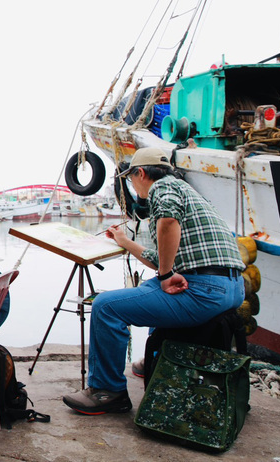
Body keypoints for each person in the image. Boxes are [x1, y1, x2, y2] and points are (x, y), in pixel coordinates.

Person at [63, 147, 245, 415]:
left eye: (131, 178)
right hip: (232, 288)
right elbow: (161, 258)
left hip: (204, 291)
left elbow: (168, 224)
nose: (133, 185)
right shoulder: (191, 193)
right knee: (150, 288)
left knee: (105, 306)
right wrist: (126, 243)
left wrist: (167, 275)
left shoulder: (163, 188)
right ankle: (153, 362)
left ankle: (107, 391)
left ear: (140, 173)